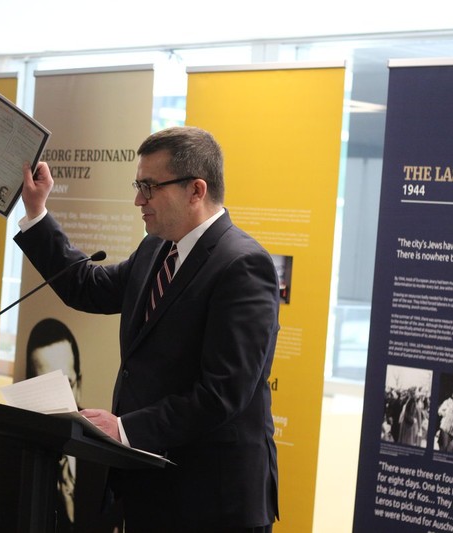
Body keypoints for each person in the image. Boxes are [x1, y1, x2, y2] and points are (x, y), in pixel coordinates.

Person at [15, 126, 280, 532]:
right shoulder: (157, 248)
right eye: (138, 185)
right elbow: (87, 287)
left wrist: (124, 428)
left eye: (150, 187)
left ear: (196, 190)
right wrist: (37, 214)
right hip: (151, 486)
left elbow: (224, 392)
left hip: (213, 502)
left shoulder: (241, 265)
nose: (139, 199)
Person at [25, 318, 122, 533]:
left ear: (79, 384)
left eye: (64, 384)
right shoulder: (16, 449)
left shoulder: (104, 451)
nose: (55, 395)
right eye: (45, 384)